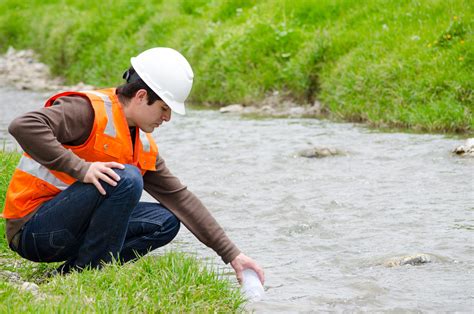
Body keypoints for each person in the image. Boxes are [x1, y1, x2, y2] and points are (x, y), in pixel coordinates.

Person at [1, 47, 264, 284]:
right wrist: (82, 169)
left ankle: (78, 275)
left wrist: (233, 255)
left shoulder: (141, 143)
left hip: (70, 231)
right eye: (164, 108)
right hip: (33, 230)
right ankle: (95, 274)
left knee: (167, 220)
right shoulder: (85, 110)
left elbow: (181, 199)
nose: (167, 117)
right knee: (127, 178)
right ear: (140, 96)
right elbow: (23, 125)